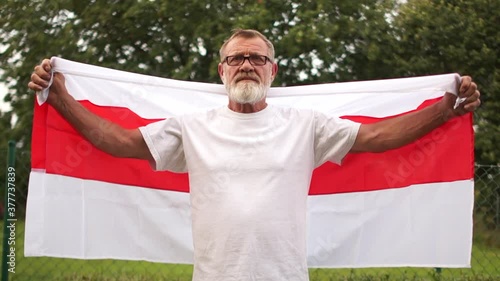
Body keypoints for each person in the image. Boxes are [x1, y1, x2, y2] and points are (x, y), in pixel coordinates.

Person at [28, 29, 480, 281]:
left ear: (273, 69)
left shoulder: (306, 125)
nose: (247, 64)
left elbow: (378, 138)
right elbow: (119, 142)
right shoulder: (192, 126)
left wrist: (445, 110)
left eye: (257, 58)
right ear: (222, 69)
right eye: (237, 58)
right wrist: (60, 97)